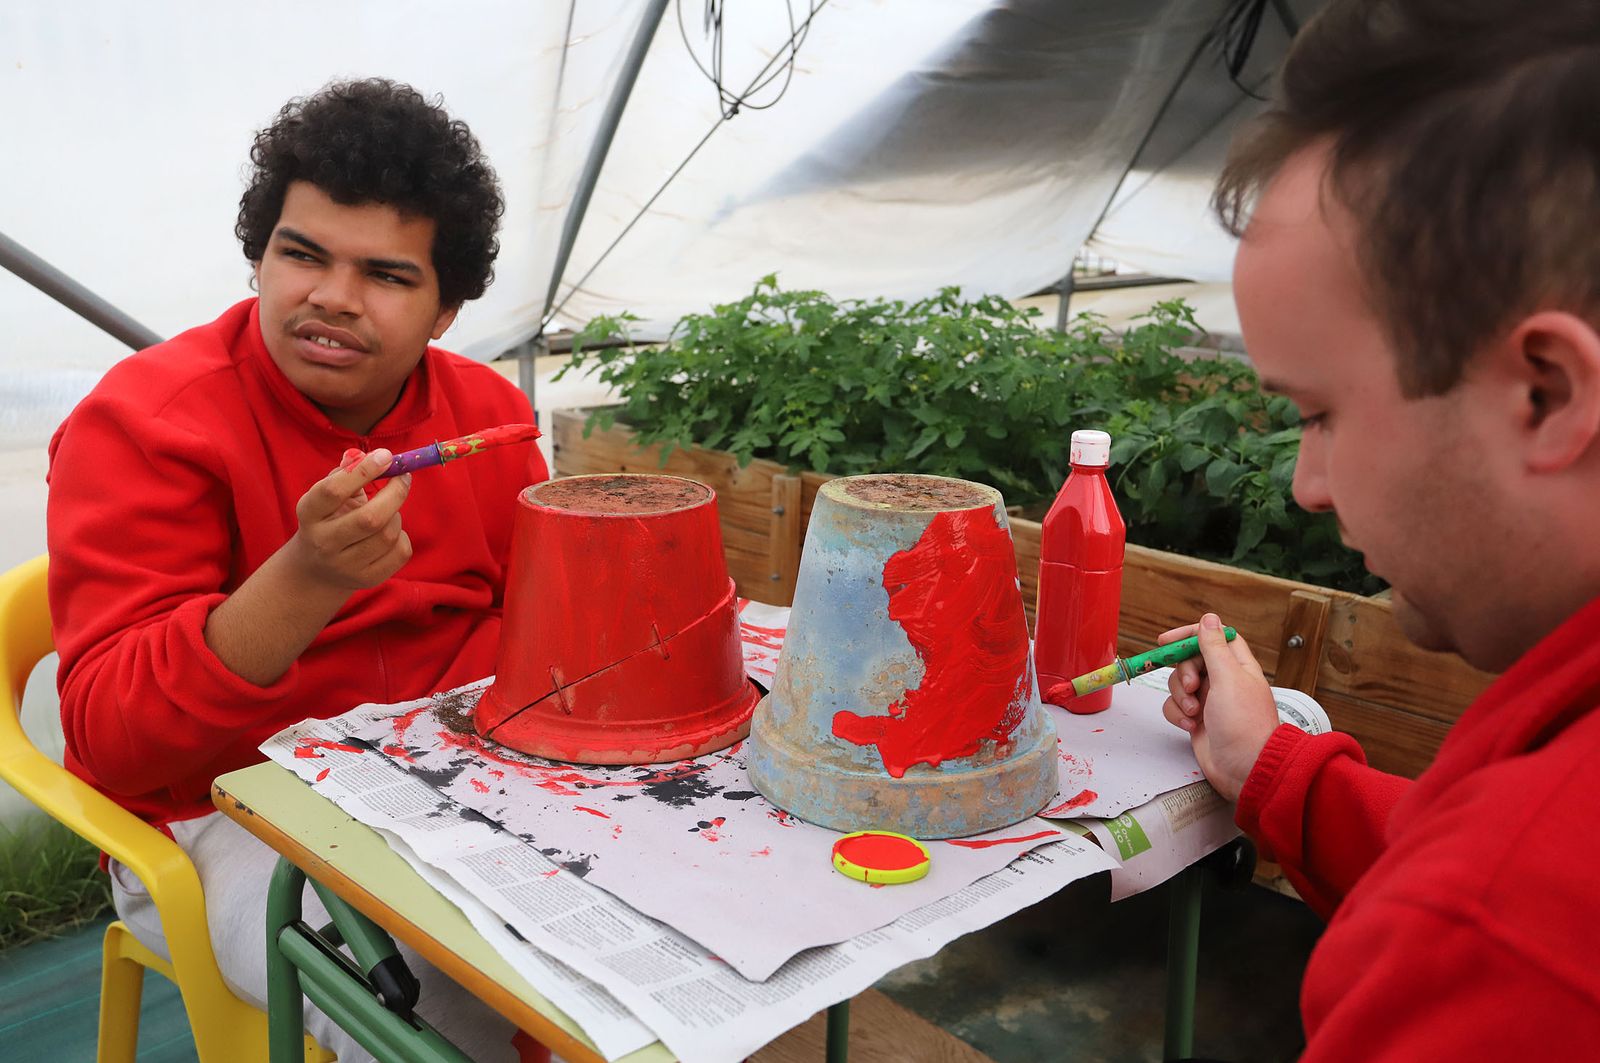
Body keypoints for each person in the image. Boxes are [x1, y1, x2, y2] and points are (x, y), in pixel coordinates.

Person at [47, 78, 551, 1061]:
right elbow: (114, 741)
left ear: (446, 308)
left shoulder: (485, 418)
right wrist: (305, 579)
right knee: (432, 1009)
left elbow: (536, 632)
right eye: (301, 254)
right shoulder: (146, 422)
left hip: (459, 775)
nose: (330, 297)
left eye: (387, 275)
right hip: (220, 814)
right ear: (259, 256)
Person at [1157, 0, 1600, 1058]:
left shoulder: (1504, 941)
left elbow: (1489, 900)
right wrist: (1269, 764)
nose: (1308, 485)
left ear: (1547, 393)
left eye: (1318, 413)